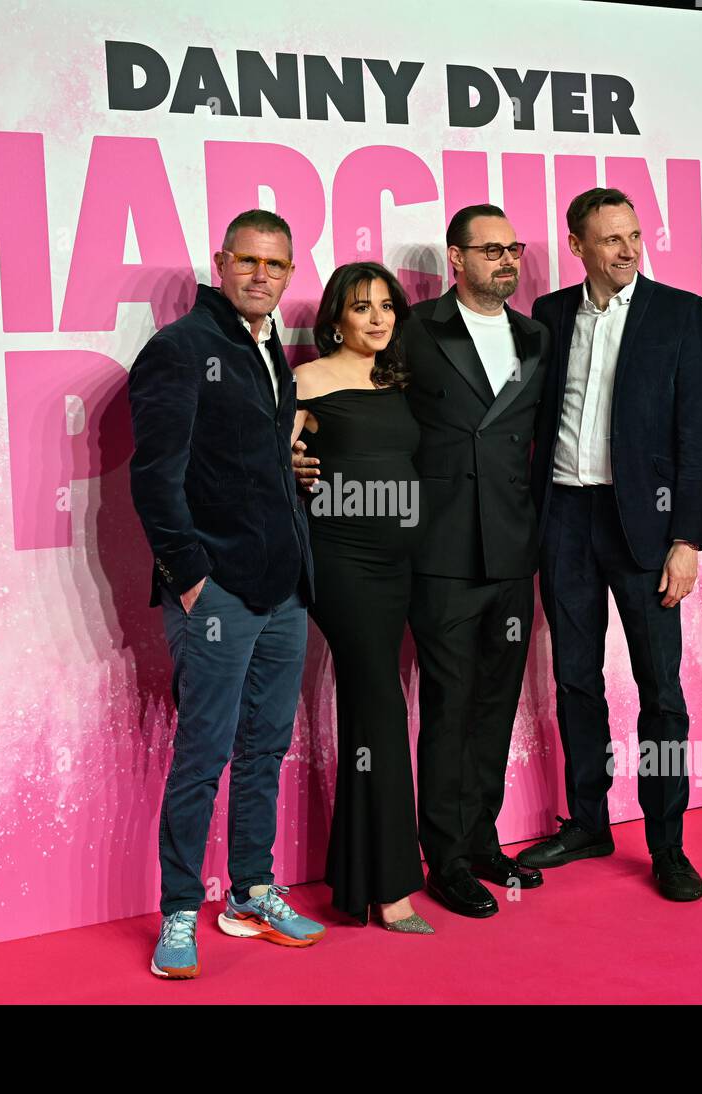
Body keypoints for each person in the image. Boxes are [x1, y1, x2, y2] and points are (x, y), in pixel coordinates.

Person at [299, 205, 550, 918]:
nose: (507, 260)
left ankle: (480, 840)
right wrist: (298, 460)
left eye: (514, 248)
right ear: (456, 257)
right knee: (448, 703)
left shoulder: (537, 336)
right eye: (491, 248)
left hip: (511, 546)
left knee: (497, 703)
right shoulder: (413, 330)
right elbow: (351, 415)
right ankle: (442, 857)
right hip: (435, 550)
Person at [127, 208, 326, 979]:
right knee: (203, 754)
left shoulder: (271, 348)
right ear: (221, 262)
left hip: (284, 593)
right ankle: (180, 909)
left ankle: (250, 890)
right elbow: (156, 476)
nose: (263, 277)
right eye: (250, 262)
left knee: (266, 748)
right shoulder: (180, 349)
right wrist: (190, 581)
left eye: (277, 267)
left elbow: (254, 461)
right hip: (216, 596)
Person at [518, 187, 702, 901]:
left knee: (660, 692)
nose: (629, 249)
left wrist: (687, 539)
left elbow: (696, 436)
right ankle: (589, 821)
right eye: (611, 239)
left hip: (646, 526)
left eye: (634, 235)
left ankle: (667, 845)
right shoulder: (549, 316)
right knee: (575, 679)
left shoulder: (679, 314)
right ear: (578, 247)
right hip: (565, 518)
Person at [292, 262, 432, 934]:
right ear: (335, 318)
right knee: (380, 702)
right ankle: (393, 888)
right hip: (342, 563)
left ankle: (359, 877)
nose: (377, 319)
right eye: (360, 307)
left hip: (399, 565)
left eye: (386, 306)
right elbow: (262, 464)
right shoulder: (307, 382)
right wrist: (289, 462)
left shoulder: (395, 382)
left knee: (372, 710)